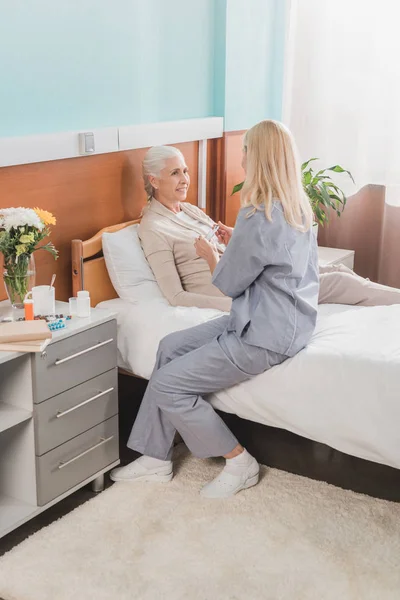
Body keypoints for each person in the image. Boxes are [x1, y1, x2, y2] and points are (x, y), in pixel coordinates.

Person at [110, 119, 319, 498]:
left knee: (168, 384)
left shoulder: (257, 214)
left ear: (260, 158)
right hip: (286, 321)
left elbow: (228, 283)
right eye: (176, 171)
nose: (242, 156)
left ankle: (239, 462)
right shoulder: (295, 206)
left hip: (263, 333)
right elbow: (279, 260)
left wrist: (211, 257)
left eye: (246, 151)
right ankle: (155, 458)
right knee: (169, 347)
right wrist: (236, 241)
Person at [137, 146, 400, 310]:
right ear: (154, 180)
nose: (185, 179)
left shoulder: (189, 210)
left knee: (333, 269)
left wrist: (232, 239)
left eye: (185, 171)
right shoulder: (153, 228)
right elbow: (175, 296)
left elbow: (227, 251)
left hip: (246, 273)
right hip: (233, 289)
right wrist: (232, 306)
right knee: (338, 282)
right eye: (175, 174)